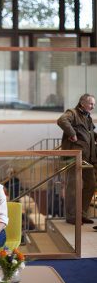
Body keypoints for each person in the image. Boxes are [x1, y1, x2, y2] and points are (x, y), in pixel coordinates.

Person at [57, 93, 97, 225]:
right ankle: (72, 216)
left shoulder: (88, 117)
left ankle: (82, 214)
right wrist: (72, 134)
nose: (93, 106)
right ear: (82, 103)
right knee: (73, 187)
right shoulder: (72, 113)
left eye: (93, 104)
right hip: (74, 158)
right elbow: (62, 120)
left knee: (91, 185)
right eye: (91, 103)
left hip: (88, 158)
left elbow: (89, 134)